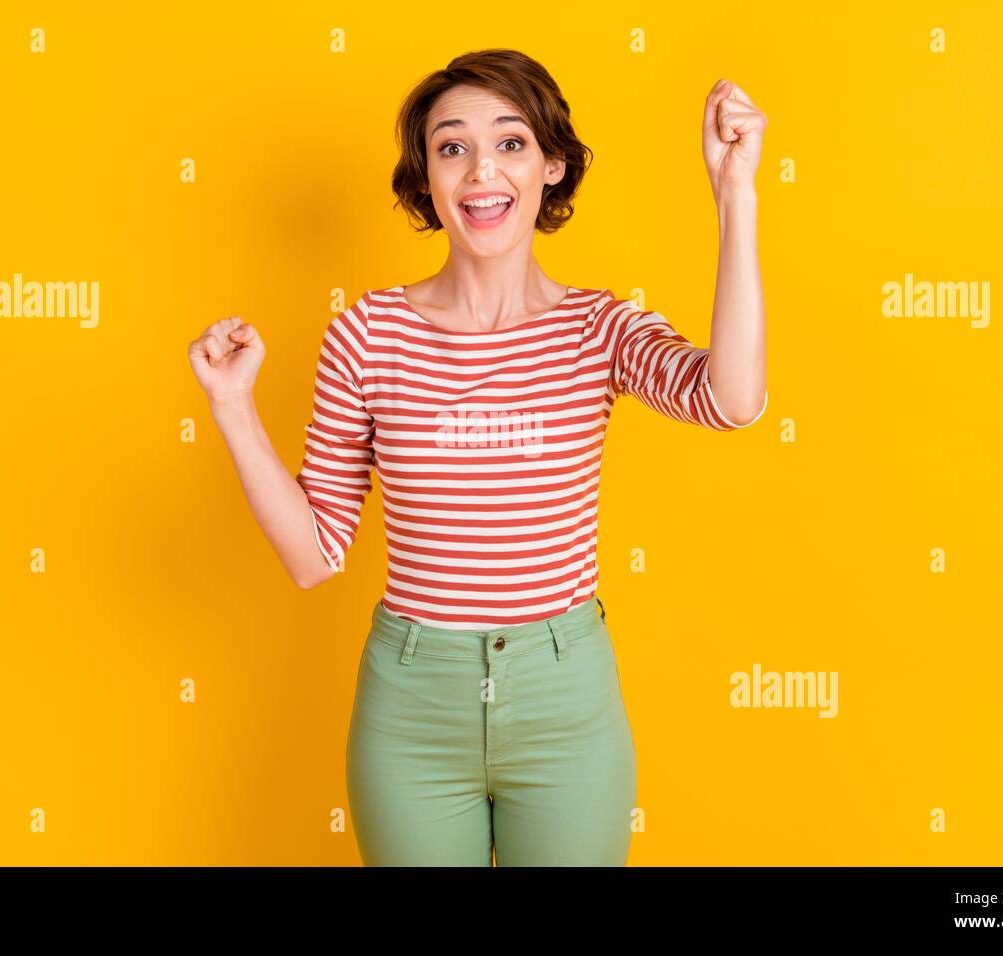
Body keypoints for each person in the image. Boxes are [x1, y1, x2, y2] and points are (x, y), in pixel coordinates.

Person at [187, 48, 768, 865]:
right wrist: (233, 408)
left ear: (551, 167)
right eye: (451, 147)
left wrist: (733, 195)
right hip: (412, 708)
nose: (480, 170)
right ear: (426, 179)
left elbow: (733, 401)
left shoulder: (598, 329)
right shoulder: (368, 334)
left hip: (565, 702)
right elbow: (315, 557)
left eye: (511, 142)